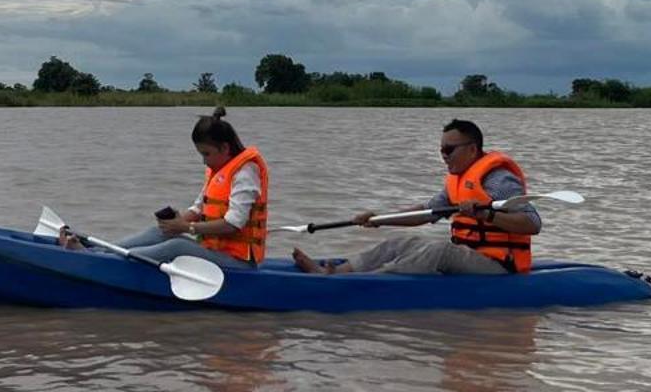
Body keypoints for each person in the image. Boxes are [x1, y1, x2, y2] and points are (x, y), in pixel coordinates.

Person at [291, 118, 538, 275]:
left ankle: (366, 282)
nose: (444, 155)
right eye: (441, 149)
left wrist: (487, 213)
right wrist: (379, 219)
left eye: (449, 149)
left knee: (439, 250)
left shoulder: (499, 179)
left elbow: (532, 224)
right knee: (402, 243)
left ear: (472, 149)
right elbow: (424, 213)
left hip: (500, 265)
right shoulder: (458, 180)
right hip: (468, 256)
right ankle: (337, 273)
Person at [58, 106, 269, 267]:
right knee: (159, 232)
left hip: (239, 262)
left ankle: (97, 261)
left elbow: (233, 224)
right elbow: (198, 208)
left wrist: (186, 228)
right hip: (213, 250)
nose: (204, 161)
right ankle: (97, 250)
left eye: (206, 154)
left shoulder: (245, 171)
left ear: (225, 147)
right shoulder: (218, 169)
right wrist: (175, 223)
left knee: (178, 246)